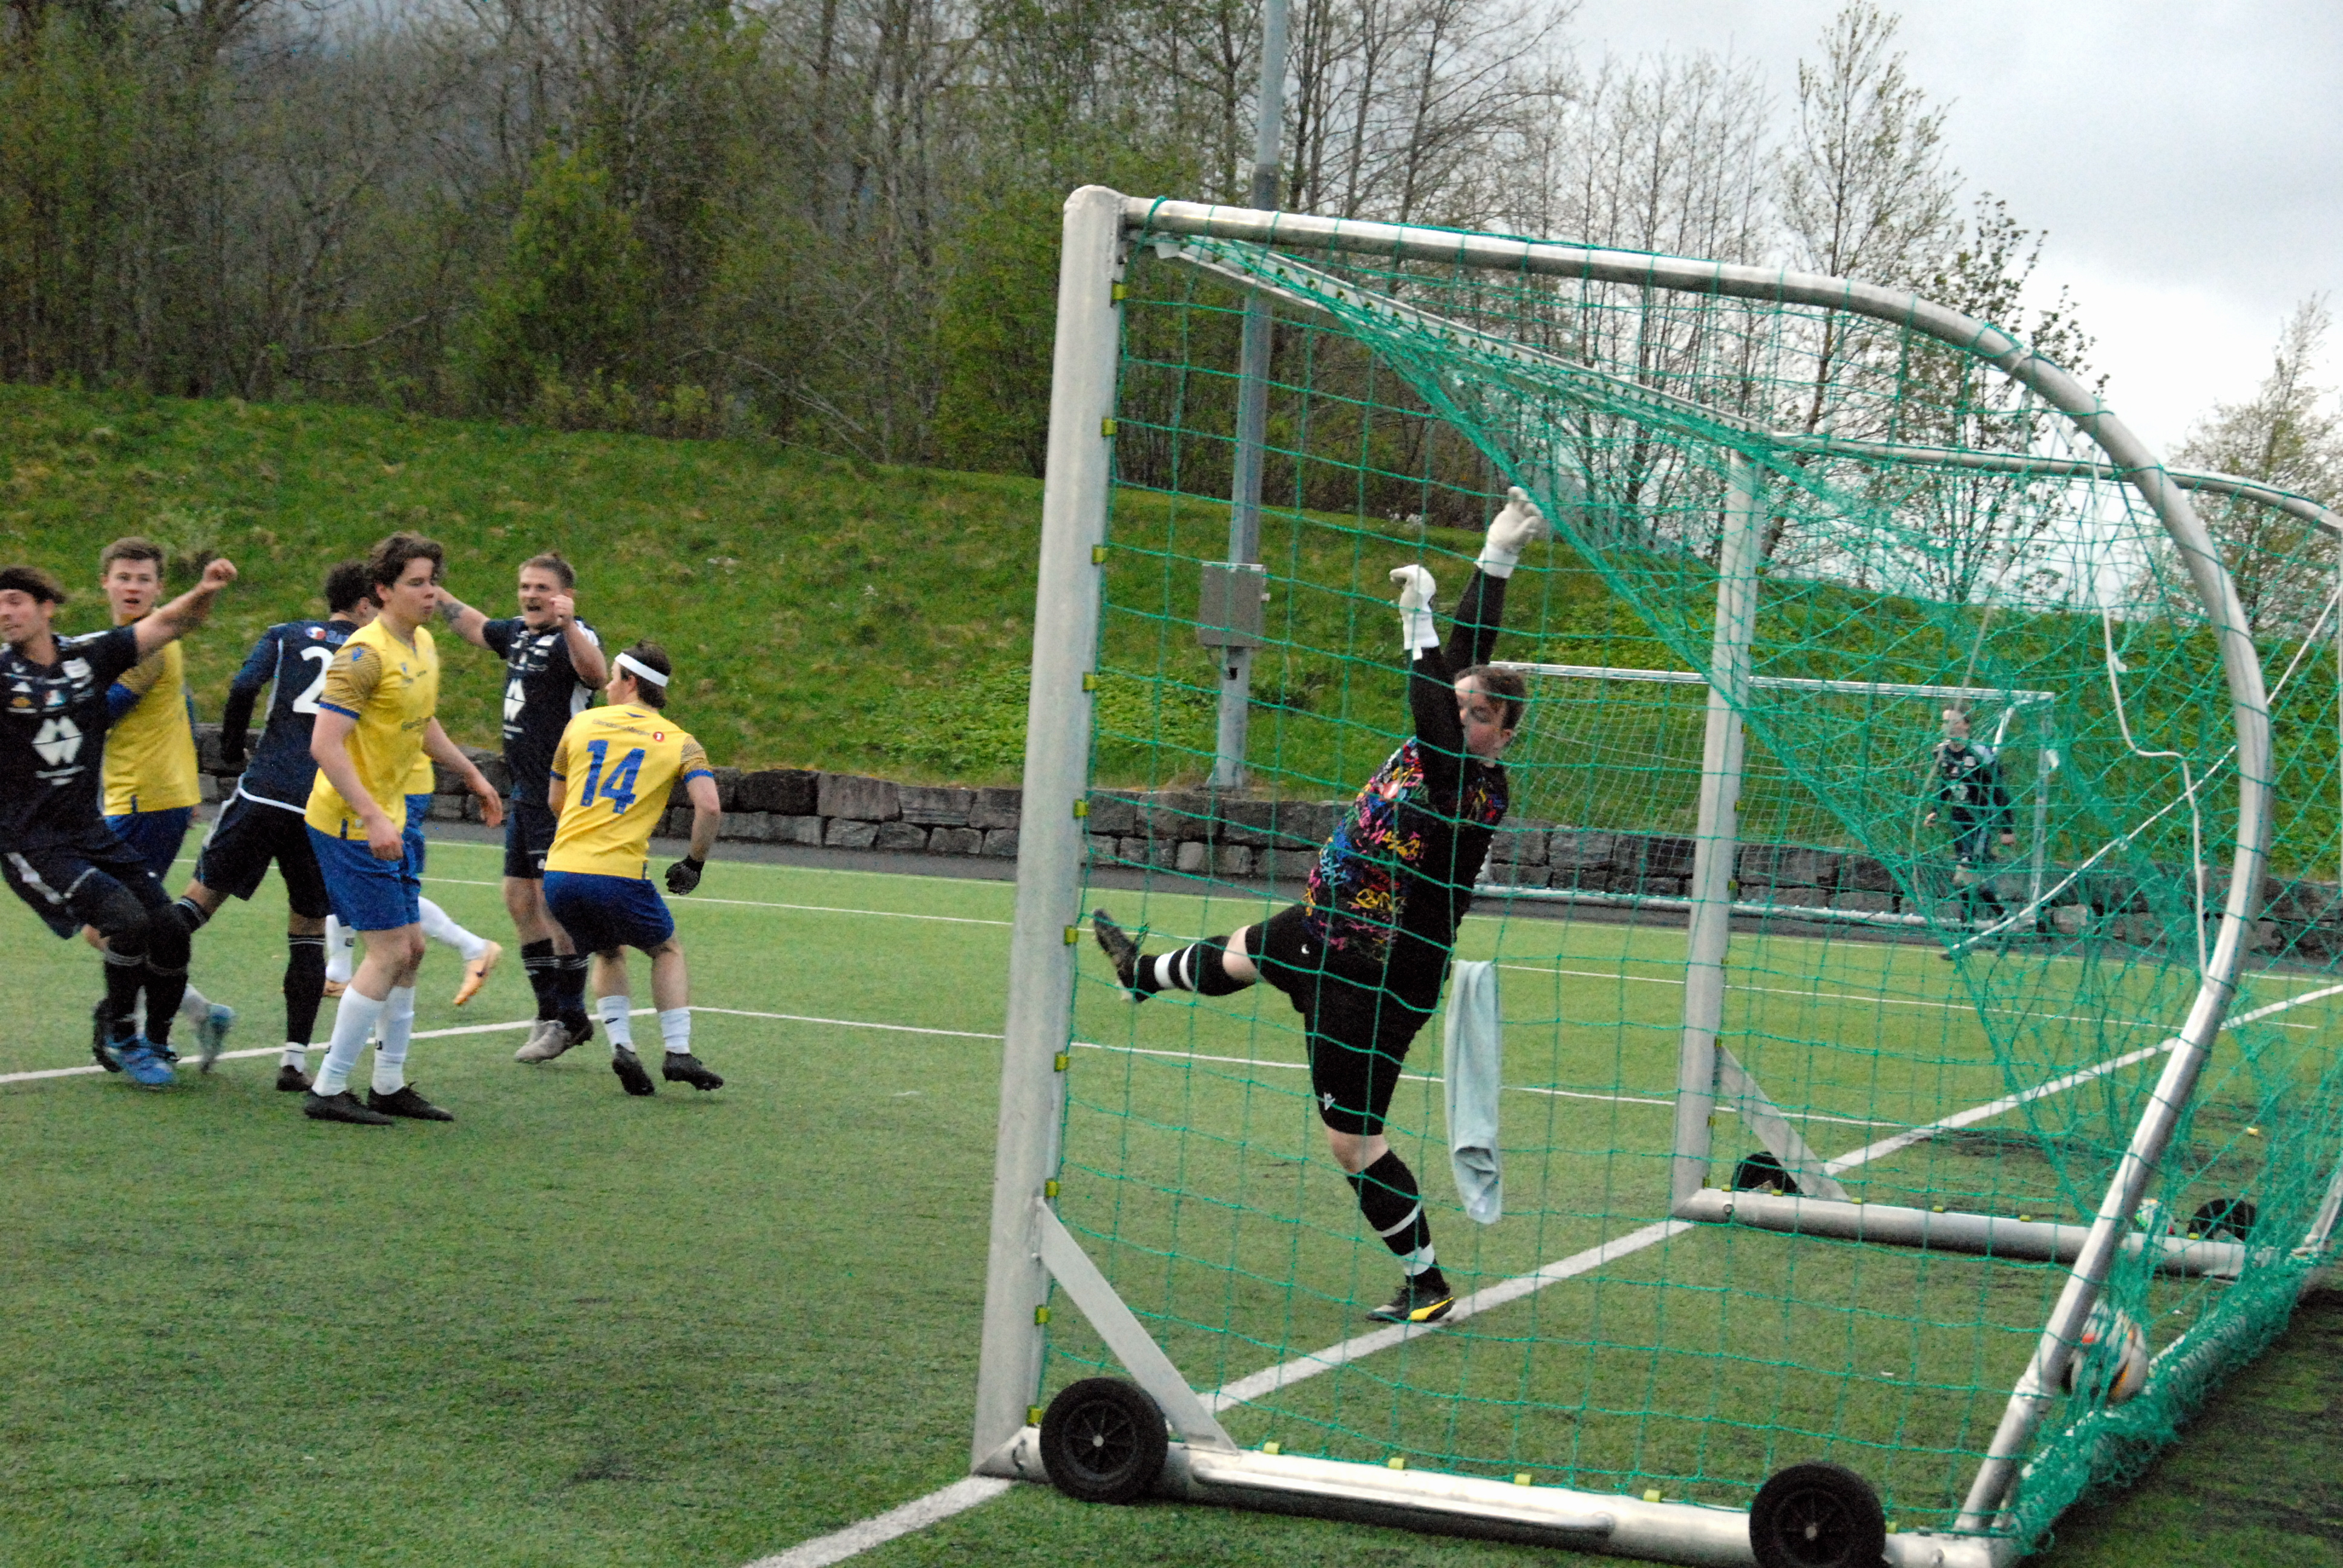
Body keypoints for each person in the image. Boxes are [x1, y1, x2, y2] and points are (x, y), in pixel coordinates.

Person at [1092, 488, 1545, 1327]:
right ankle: (1140, 976)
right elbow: (1459, 670)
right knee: (1244, 952)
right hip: (1327, 926)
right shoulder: (1440, 735)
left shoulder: (1468, 782)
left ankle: (1426, 1282)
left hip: (1377, 975)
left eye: (1482, 715)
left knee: (1353, 1141)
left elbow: (1436, 700)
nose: (1463, 715)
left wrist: (1417, 623)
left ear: (1506, 735)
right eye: (1461, 705)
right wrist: (1497, 557)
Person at [0, 554, 240, 1087]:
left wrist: (207, 588)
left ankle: (158, 1039)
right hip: (34, 844)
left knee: (170, 928)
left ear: (46, 607)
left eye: (15, 602)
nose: (4, 613)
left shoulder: (87, 657)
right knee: (124, 922)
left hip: (89, 830)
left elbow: (173, 622)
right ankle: (122, 1035)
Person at [301, 532, 503, 1126]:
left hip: (386, 815)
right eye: (416, 583)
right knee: (391, 951)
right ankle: (328, 1088)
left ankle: (388, 1083)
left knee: (411, 950)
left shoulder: (422, 644)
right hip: (348, 822)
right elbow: (325, 745)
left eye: (433, 581)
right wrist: (370, 815)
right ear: (383, 591)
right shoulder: (363, 655)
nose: (430, 592)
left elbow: (421, 721)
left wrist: (471, 772)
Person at [177, 561, 372, 1092]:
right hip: (321, 803)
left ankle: (134, 1005)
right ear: (363, 605)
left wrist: (231, 749)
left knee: (197, 904)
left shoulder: (285, 635)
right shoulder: (372, 650)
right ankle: (293, 1062)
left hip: (265, 792)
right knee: (307, 931)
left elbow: (244, 686)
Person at [434, 552, 608, 1061]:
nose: (531, 595)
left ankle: (571, 1017)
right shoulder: (518, 634)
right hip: (525, 792)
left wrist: (569, 623)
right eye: (526, 586)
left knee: (555, 905)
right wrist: (431, 591)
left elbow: (596, 676)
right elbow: (474, 625)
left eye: (542, 588)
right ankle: (549, 1011)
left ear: (564, 596)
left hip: (561, 794)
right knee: (518, 899)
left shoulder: (577, 635)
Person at [538, 642, 726, 1096]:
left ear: (631, 682)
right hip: (618, 872)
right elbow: (710, 807)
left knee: (608, 952)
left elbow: (555, 801)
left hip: (561, 872)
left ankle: (622, 1046)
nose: (606, 685)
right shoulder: (681, 741)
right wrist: (694, 862)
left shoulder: (580, 724)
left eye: (613, 676)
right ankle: (678, 1051)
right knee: (666, 950)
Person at [85, 537, 235, 1070]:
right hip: (140, 795)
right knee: (118, 923)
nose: (133, 587)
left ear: (159, 588)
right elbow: (185, 706)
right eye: (124, 577)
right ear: (105, 582)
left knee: (114, 924)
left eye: (143, 579)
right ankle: (196, 1013)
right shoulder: (136, 640)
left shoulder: (144, 646)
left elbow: (98, 713)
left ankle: (139, 1024)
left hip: (146, 798)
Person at [1924, 708, 2014, 927]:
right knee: (1970, 877)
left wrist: (2006, 829)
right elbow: (1945, 784)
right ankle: (2003, 917)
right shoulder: (1940, 752)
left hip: (1981, 820)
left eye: (1954, 721)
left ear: (1966, 725)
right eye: (1945, 722)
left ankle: (1966, 927)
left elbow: (1999, 791)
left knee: (1964, 874)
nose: (1949, 726)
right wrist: (1936, 809)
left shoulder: (1981, 753)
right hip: (1958, 819)